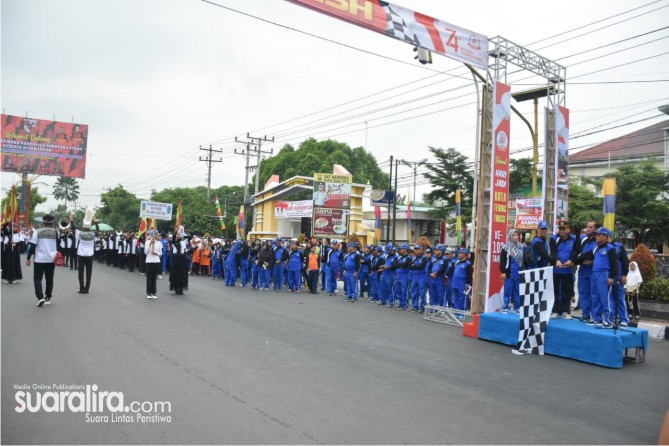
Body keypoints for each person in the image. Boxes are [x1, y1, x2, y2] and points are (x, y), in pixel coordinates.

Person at [574, 227, 618, 328]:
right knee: (595, 296)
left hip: (604, 274)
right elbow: (585, 256)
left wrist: (611, 277)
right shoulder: (595, 248)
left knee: (605, 297)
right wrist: (572, 261)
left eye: (599, 235)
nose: (597, 236)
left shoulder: (610, 248)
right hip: (594, 273)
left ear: (606, 236)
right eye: (597, 234)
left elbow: (614, 264)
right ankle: (596, 318)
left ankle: (608, 320)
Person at [25, 214, 59, 306]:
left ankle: (40, 297)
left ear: (43, 222)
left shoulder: (37, 231)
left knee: (37, 279)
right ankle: (48, 297)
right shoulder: (56, 232)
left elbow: (32, 246)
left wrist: (28, 258)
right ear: (52, 222)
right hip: (51, 259)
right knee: (49, 278)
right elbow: (59, 246)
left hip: (39, 259)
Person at [550, 222, 578, 319]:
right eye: (560, 228)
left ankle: (566, 311)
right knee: (555, 291)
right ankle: (555, 311)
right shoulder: (554, 238)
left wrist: (571, 260)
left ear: (568, 229)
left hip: (568, 269)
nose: (561, 230)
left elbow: (576, 251)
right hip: (556, 269)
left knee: (567, 291)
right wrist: (557, 260)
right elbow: (553, 251)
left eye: (564, 228)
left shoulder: (574, 239)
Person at [574, 220, 600, 322]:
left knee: (594, 293)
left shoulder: (599, 240)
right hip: (583, 269)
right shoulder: (582, 239)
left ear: (596, 229)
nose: (588, 229)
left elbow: (601, 256)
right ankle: (585, 314)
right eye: (587, 226)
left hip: (594, 270)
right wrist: (574, 263)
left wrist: (593, 262)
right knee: (583, 292)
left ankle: (595, 316)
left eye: (591, 227)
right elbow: (576, 252)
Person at [70, 212, 99, 294]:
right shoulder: (93, 234)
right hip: (90, 255)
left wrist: (71, 220)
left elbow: (73, 228)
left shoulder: (80, 233)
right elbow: (98, 230)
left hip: (81, 255)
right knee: (89, 273)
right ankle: (87, 289)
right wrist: (95, 221)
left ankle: (81, 288)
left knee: (81, 272)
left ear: (83, 226)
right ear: (90, 226)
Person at [500, 229, 524, 313]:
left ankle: (517, 307)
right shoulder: (505, 247)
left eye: (517, 235)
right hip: (509, 272)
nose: (515, 237)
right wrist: (503, 272)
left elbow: (523, 260)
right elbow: (502, 260)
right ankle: (505, 307)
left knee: (517, 291)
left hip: (519, 272)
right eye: (513, 235)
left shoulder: (521, 246)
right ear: (510, 236)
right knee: (508, 290)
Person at [450, 248, 473, 315]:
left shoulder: (468, 264)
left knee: (462, 299)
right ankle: (457, 312)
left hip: (462, 284)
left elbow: (469, 275)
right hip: (455, 283)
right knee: (456, 298)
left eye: (461, 253)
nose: (459, 254)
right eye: (459, 253)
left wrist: (467, 284)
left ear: (465, 255)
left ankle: (462, 314)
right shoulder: (457, 262)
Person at [409, 244, 429, 313]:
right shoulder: (414, 258)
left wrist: (414, 266)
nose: (416, 251)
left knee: (422, 293)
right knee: (414, 292)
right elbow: (410, 267)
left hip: (422, 278)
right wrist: (414, 266)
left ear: (421, 250)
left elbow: (421, 267)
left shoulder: (424, 258)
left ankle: (422, 307)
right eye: (415, 249)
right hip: (415, 277)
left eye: (417, 249)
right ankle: (415, 306)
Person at [169, 229, 189, 295]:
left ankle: (181, 288)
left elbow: (189, 237)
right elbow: (173, 239)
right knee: (175, 272)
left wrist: (182, 233)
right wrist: (176, 232)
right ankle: (176, 288)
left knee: (182, 273)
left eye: (179, 234)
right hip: (175, 258)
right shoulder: (174, 242)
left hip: (182, 258)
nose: (178, 235)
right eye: (178, 234)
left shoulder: (184, 242)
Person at [144, 233, 163, 299]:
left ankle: (154, 292)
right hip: (149, 261)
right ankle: (149, 293)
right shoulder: (147, 242)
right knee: (149, 278)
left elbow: (161, 253)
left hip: (156, 261)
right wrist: (150, 244)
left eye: (156, 235)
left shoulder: (159, 243)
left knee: (154, 278)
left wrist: (156, 253)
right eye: (154, 235)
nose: (155, 236)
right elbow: (145, 252)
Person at [393, 244, 411, 310]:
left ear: (405, 249)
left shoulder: (408, 257)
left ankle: (404, 304)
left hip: (404, 276)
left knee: (404, 290)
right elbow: (394, 264)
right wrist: (400, 265)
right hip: (398, 276)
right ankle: (400, 303)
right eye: (400, 249)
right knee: (397, 290)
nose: (400, 250)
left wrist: (399, 265)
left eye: (402, 249)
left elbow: (405, 265)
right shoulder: (399, 257)